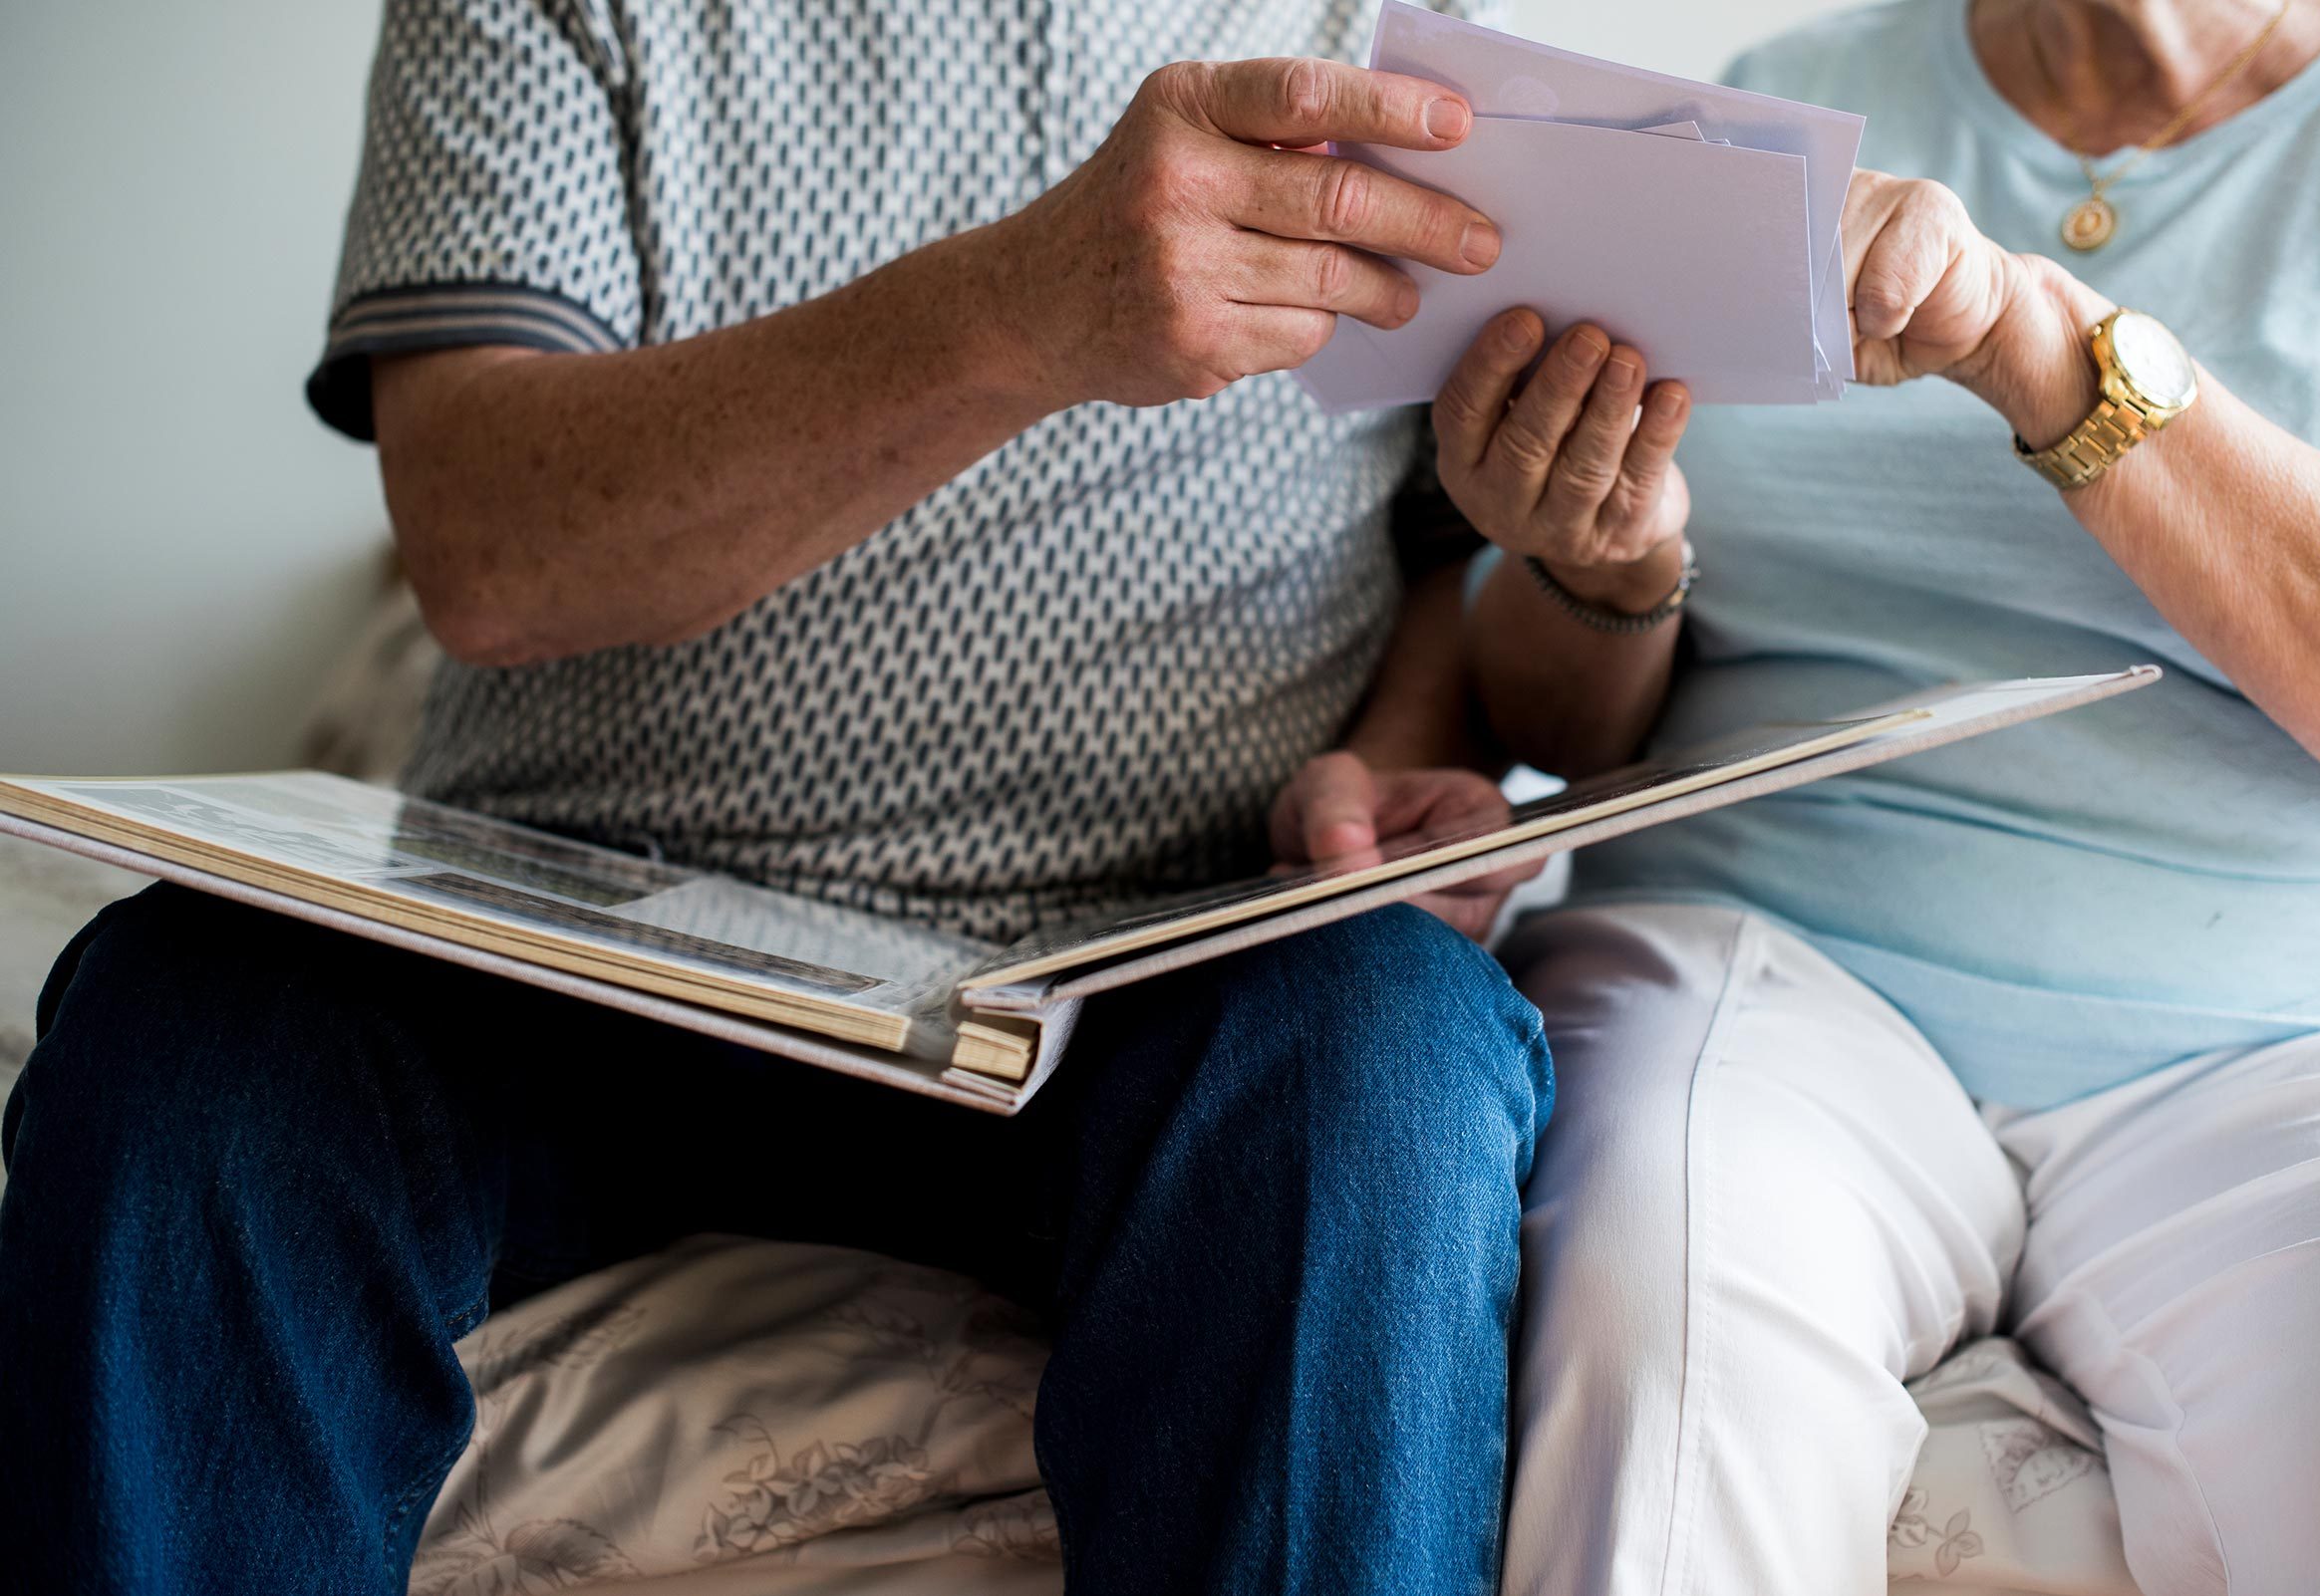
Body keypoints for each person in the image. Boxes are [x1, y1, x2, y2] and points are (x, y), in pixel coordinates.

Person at [0, 3, 1557, 1591]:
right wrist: (1022, 305)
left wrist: (1385, 759)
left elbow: (1446, 546)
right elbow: (486, 539)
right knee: (191, 1024)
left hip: (1148, 969)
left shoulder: (1394, 38)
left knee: (1387, 1046)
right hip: (562, 955)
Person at [1388, 0, 2320, 1589]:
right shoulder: (1784, 108)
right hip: (1772, 964)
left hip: (2258, 1049)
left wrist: (2037, 344)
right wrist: (1607, 559)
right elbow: (1555, 725)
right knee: (1668, 1289)